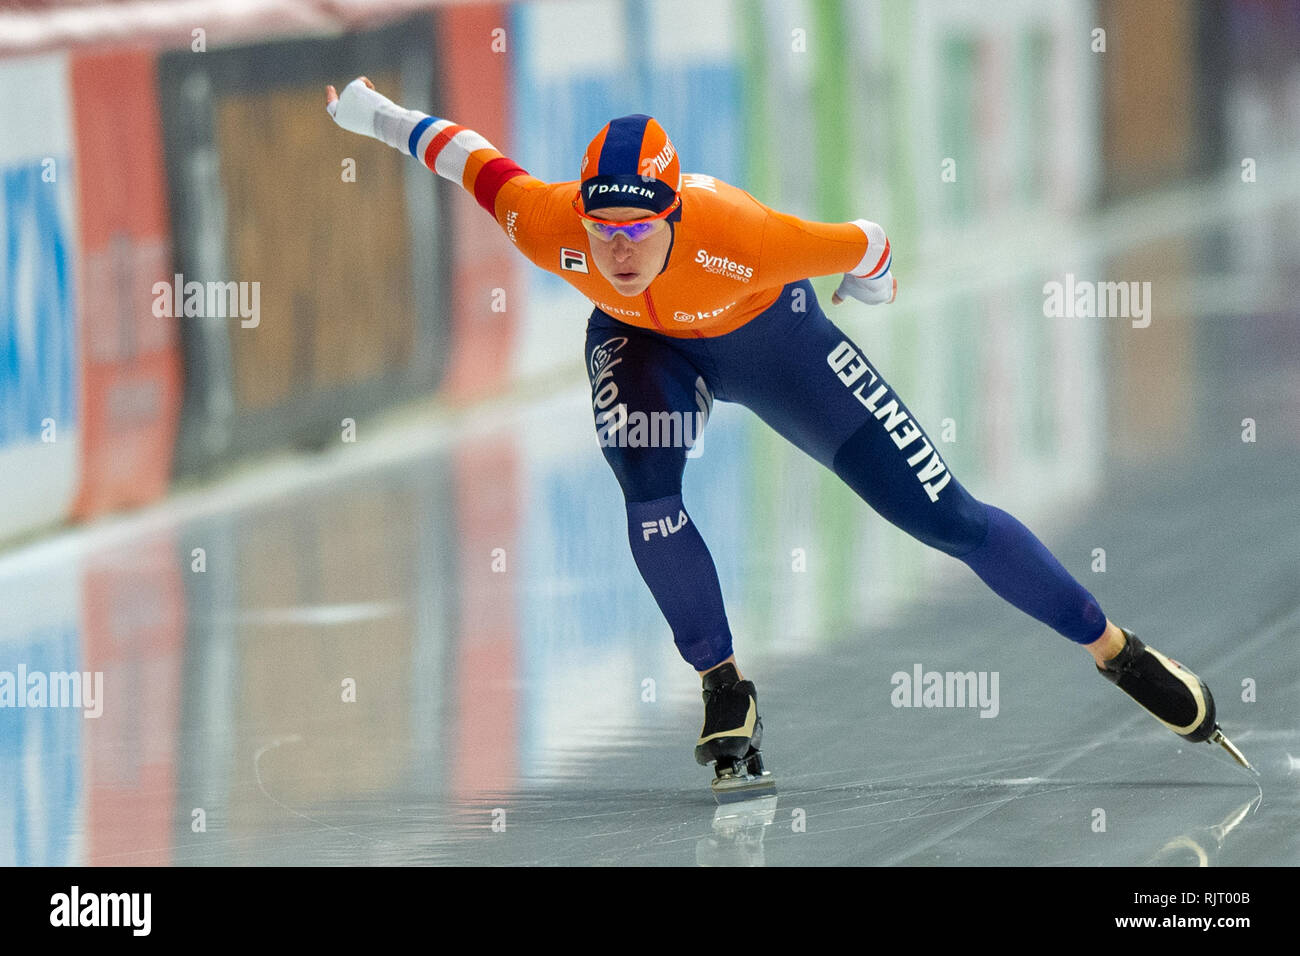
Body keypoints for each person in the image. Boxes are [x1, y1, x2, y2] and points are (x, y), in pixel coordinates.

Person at [325, 77, 1252, 785]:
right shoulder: (548, 221)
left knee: (947, 521)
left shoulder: (744, 235)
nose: (615, 245)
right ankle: (724, 686)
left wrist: (871, 288)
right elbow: (465, 152)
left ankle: (1117, 653)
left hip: (777, 346)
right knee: (649, 498)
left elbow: (870, 240)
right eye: (602, 224)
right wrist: (368, 111)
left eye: (637, 227)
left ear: (674, 213)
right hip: (646, 347)